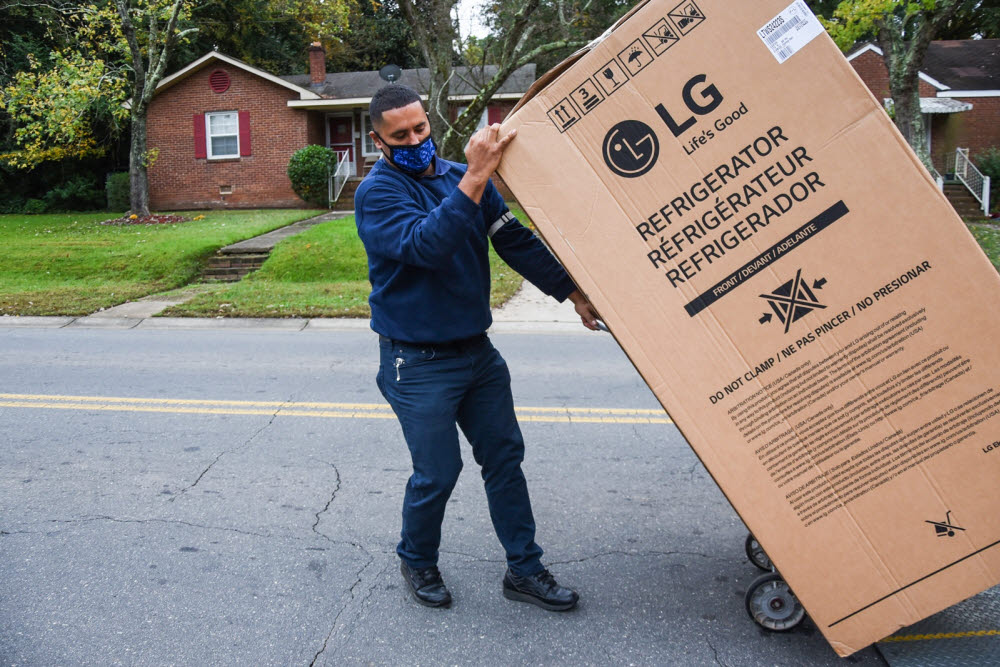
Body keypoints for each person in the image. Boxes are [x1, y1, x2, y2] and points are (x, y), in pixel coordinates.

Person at [354, 84, 600, 611]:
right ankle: (417, 559)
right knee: (438, 473)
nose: (416, 139)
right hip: (416, 361)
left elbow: (512, 241)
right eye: (401, 135)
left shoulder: (456, 177)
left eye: (421, 127)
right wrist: (474, 176)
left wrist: (572, 292)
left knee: (505, 460)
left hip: (477, 352)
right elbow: (428, 246)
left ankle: (524, 571)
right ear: (379, 141)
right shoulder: (377, 194)